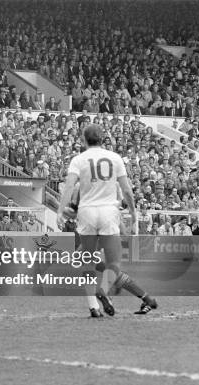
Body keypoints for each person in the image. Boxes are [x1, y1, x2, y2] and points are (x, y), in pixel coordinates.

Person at [58, 124, 158, 317]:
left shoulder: (79, 162)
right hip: (109, 215)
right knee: (112, 267)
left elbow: (71, 192)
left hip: (87, 216)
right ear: (103, 139)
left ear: (83, 139)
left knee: (87, 263)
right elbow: (126, 193)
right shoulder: (114, 160)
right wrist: (134, 216)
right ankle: (107, 294)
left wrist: (61, 212)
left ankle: (95, 306)